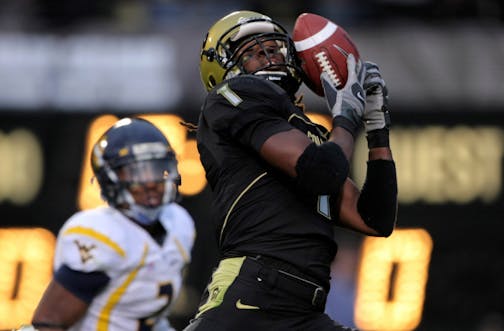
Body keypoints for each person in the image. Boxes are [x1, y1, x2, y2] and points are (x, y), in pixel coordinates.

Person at [183, 10, 397, 331]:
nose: (269, 58)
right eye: (253, 53)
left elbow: (375, 219)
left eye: (273, 49)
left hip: (304, 308)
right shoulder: (231, 96)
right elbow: (320, 171)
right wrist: (346, 118)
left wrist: (377, 128)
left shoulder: (308, 132)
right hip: (252, 293)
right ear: (223, 69)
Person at [19, 118, 195, 331]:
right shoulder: (101, 234)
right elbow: (48, 323)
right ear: (111, 178)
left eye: (156, 169)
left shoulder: (178, 223)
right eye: (136, 172)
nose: (150, 182)